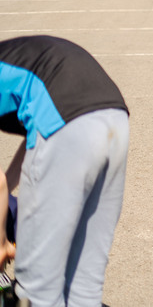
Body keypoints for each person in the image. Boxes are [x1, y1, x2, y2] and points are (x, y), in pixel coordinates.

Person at [0, 35, 130, 306]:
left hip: (67, 126)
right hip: (114, 120)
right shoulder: (14, 56)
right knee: (84, 286)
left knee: (36, 292)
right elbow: (37, 130)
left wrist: (1, 243)